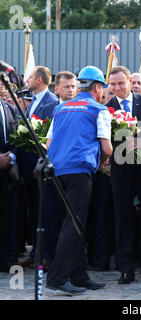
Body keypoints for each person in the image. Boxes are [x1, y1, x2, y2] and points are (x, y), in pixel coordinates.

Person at [45, 66, 112, 294]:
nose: (103, 92)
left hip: (57, 171)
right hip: (79, 170)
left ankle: (79, 276)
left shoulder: (61, 108)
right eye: (103, 87)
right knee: (74, 225)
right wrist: (102, 163)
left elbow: (48, 143)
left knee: (71, 223)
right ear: (96, 88)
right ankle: (57, 277)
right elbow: (107, 147)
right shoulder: (98, 109)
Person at [106, 66, 141, 284]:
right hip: (120, 171)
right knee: (122, 219)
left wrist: (140, 142)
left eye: (121, 83)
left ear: (130, 82)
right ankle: (126, 268)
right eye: (113, 84)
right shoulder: (107, 107)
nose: (118, 87)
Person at [19, 66, 59, 269]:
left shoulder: (52, 103)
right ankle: (35, 251)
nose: (27, 80)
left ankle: (46, 253)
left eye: (31, 77)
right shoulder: (31, 101)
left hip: (41, 166)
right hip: (28, 167)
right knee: (34, 211)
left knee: (46, 212)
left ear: (41, 80)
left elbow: (49, 135)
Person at [0, 97, 18, 272]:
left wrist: (11, 157)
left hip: (7, 171)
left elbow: (17, 137)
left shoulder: (11, 109)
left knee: (6, 214)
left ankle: (5, 258)